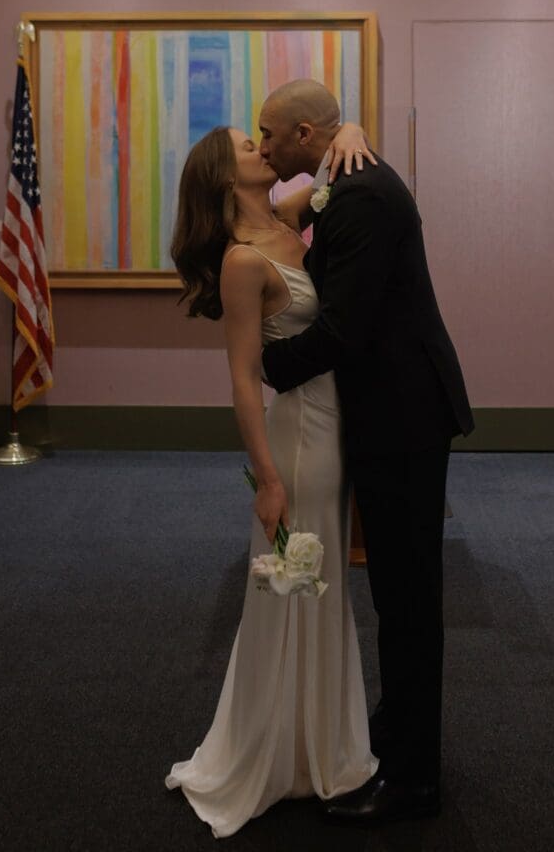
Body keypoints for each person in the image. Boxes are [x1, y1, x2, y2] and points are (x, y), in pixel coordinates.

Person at [259, 80, 475, 825]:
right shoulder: (341, 180)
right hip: (388, 410)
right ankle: (395, 728)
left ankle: (414, 779)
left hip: (404, 416)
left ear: (305, 134)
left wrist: (260, 368)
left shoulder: (362, 196)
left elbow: (341, 332)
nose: (260, 147)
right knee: (393, 590)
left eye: (269, 134)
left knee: (409, 599)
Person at [164, 119, 378, 838]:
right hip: (297, 441)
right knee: (295, 588)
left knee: (321, 590)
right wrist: (265, 478)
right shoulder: (241, 262)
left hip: (334, 428)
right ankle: (286, 755)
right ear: (228, 179)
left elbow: (326, 172)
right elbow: (239, 380)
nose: (262, 148)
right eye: (248, 147)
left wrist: (348, 126)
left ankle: (318, 742)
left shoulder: (290, 218)